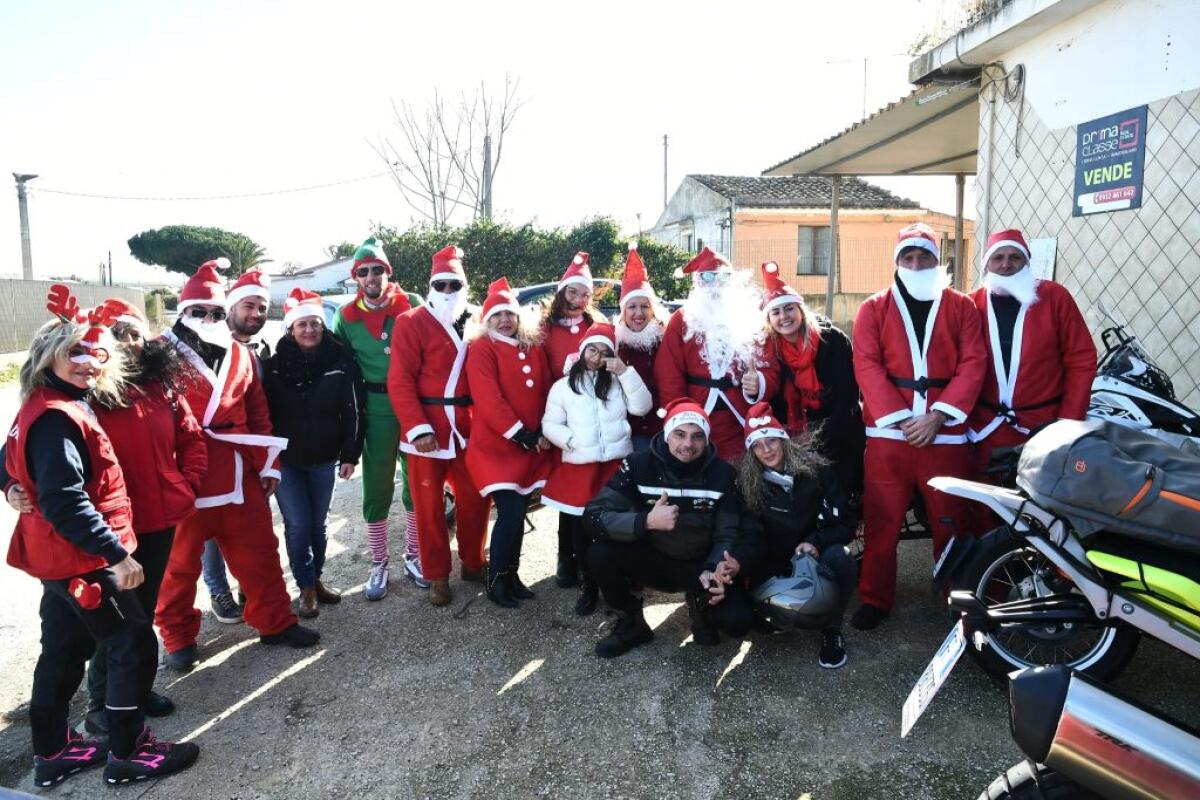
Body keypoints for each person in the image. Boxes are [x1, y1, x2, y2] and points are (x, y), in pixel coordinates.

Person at [5, 288, 198, 787]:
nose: (88, 363)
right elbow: (66, 499)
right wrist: (115, 554)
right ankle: (128, 750)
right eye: (75, 352)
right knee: (130, 642)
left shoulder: (52, 402)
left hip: (60, 558)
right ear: (48, 353)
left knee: (64, 649)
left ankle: (53, 751)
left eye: (95, 352)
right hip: (84, 559)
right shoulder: (56, 417)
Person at [155, 260, 319, 671]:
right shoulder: (156, 354)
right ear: (183, 309)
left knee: (261, 553)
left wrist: (268, 466)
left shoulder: (239, 355)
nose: (207, 319)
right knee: (177, 568)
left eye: (213, 312)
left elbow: (258, 413)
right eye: (199, 311)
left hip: (238, 475)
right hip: (182, 481)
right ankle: (177, 636)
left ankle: (274, 622)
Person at [851, 223, 986, 630]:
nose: (915, 263)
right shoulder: (873, 308)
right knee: (882, 521)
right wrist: (904, 418)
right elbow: (867, 365)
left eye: (923, 256)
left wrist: (939, 415)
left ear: (936, 260)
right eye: (907, 257)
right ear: (897, 262)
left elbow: (973, 363)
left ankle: (954, 594)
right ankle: (875, 597)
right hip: (890, 436)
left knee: (951, 520)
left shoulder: (962, 306)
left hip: (945, 434)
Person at [582, 399, 755, 658]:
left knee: (737, 622)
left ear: (706, 440)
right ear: (666, 434)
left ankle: (701, 605)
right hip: (654, 560)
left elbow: (727, 533)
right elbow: (593, 517)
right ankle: (632, 623)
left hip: (701, 567)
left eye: (697, 436)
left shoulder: (723, 474)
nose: (688, 444)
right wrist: (646, 521)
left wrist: (715, 566)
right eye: (680, 434)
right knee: (599, 551)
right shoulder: (639, 465)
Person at [388, 244, 491, 607]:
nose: (448, 291)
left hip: (470, 426)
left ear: (464, 286)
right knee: (428, 507)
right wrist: (418, 429)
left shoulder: (480, 319)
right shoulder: (410, 322)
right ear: (432, 285)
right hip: (426, 430)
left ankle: (474, 562)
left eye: (454, 285)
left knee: (477, 499)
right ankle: (436, 575)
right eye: (442, 284)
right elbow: (399, 381)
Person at [967, 229, 1096, 504]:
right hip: (984, 427)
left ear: (1027, 261)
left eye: (1015, 257)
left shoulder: (1055, 297)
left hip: (1042, 426)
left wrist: (1069, 421)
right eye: (997, 257)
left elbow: (1081, 359)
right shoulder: (970, 304)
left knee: (1039, 503)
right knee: (983, 503)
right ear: (986, 263)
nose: (1006, 264)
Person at [332, 237, 426, 599]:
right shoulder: (345, 317)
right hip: (375, 408)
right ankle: (379, 562)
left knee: (417, 480)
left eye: (378, 269)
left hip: (414, 405)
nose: (372, 276)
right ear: (357, 277)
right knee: (377, 485)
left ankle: (415, 554)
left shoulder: (412, 304)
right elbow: (342, 367)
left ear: (388, 272)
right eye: (364, 271)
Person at [263, 288, 366, 618]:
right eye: (302, 325)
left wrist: (350, 454)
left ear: (324, 327)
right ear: (291, 329)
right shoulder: (274, 366)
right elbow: (262, 415)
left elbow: (354, 411)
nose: (309, 330)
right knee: (298, 524)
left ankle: (316, 578)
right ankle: (306, 587)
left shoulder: (340, 362)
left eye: (315, 324)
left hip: (324, 456)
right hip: (287, 460)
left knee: (318, 524)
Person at [734, 402, 857, 668]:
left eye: (771, 441)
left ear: (783, 440)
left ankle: (832, 630)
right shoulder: (747, 485)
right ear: (751, 451)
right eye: (758, 445)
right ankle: (778, 614)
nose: (766, 450)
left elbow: (846, 524)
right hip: (775, 562)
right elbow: (750, 537)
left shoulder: (818, 471)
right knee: (750, 608)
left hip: (816, 555)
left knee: (842, 557)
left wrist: (814, 542)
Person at [542, 323, 653, 616]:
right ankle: (588, 585)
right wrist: (570, 441)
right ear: (582, 350)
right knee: (581, 530)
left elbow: (642, 407)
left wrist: (626, 373)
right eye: (592, 349)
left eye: (604, 352)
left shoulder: (617, 382)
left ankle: (618, 582)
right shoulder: (563, 386)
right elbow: (550, 424)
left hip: (615, 464)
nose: (596, 356)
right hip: (581, 466)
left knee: (617, 527)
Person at [464, 278, 553, 608]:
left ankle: (512, 575)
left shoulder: (532, 346)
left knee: (516, 514)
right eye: (497, 316)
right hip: (497, 449)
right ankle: (496, 579)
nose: (504, 321)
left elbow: (544, 389)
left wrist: (544, 427)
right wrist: (521, 433)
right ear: (486, 321)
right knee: (511, 512)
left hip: (528, 448)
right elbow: (489, 399)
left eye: (509, 315)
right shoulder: (482, 348)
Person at [199, 268, 273, 624]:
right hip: (202, 459)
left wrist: (267, 461)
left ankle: (252, 591)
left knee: (248, 533)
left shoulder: (253, 352)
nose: (255, 314)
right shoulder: (198, 345)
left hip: (246, 458)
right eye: (248, 306)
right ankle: (218, 590)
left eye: (261, 308)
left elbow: (259, 410)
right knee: (207, 534)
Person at [655, 247, 776, 462]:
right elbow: (668, 374)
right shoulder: (681, 320)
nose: (715, 285)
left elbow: (770, 366)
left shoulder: (750, 318)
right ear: (697, 282)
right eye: (707, 278)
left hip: (740, 411)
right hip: (696, 408)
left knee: (742, 468)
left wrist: (759, 382)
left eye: (723, 278)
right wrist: (680, 413)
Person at [757, 261, 865, 496]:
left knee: (842, 499)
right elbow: (776, 401)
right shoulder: (772, 349)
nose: (783, 317)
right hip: (796, 440)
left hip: (840, 432)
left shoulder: (833, 340)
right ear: (769, 320)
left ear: (801, 311)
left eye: (789, 309)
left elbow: (847, 397)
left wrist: (819, 442)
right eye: (775, 312)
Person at [540, 250, 606, 587]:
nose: (579, 300)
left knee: (593, 490)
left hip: (594, 422)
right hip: (562, 420)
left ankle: (588, 557)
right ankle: (566, 557)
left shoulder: (598, 328)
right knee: (569, 493)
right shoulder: (544, 329)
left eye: (585, 294)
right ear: (561, 292)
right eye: (573, 292)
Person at [613, 243, 665, 451]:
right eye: (632, 307)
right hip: (627, 429)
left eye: (645, 306)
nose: (638, 313)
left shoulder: (665, 338)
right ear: (623, 311)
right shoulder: (616, 343)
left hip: (661, 426)